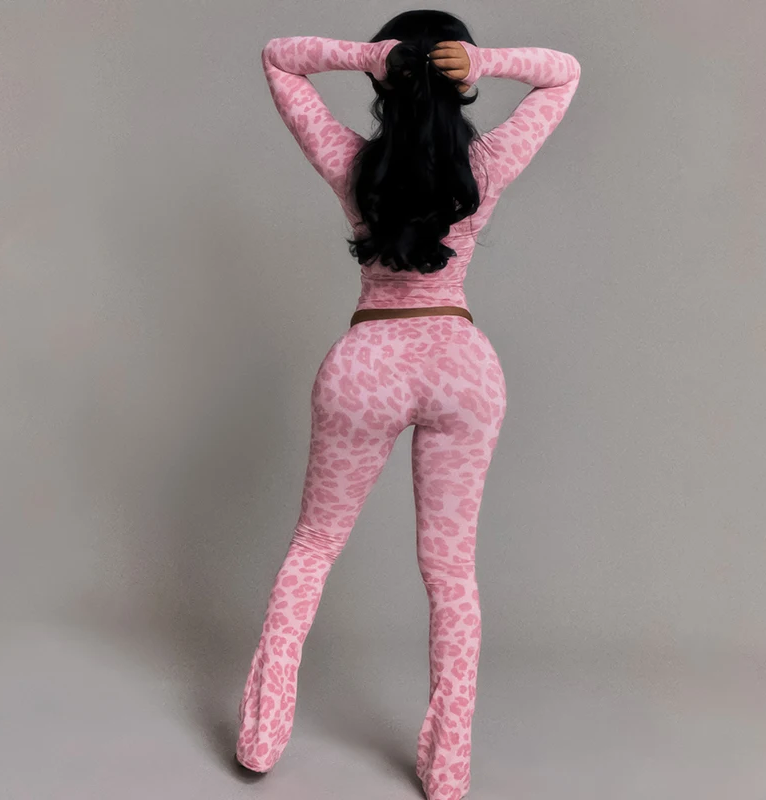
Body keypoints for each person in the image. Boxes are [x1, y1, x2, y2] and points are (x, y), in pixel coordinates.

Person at [235, 10, 581, 800]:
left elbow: (279, 59)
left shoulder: (354, 167)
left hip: (368, 364)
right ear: (461, 83)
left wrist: (370, 56)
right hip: (463, 366)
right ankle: (448, 771)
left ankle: (259, 738)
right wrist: (483, 62)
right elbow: (564, 74)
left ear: (382, 79)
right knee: (451, 575)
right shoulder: (485, 167)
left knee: (313, 548)